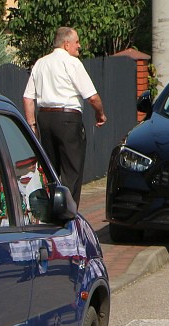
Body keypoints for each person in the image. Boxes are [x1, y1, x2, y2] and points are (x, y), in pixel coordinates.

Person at [22, 27, 107, 203]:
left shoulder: (40, 63)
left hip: (44, 119)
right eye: (77, 42)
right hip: (68, 120)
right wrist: (100, 114)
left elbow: (28, 97)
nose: (79, 46)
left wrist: (32, 125)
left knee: (50, 169)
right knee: (71, 170)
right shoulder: (72, 63)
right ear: (66, 44)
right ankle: (68, 213)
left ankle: (51, 210)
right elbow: (92, 97)